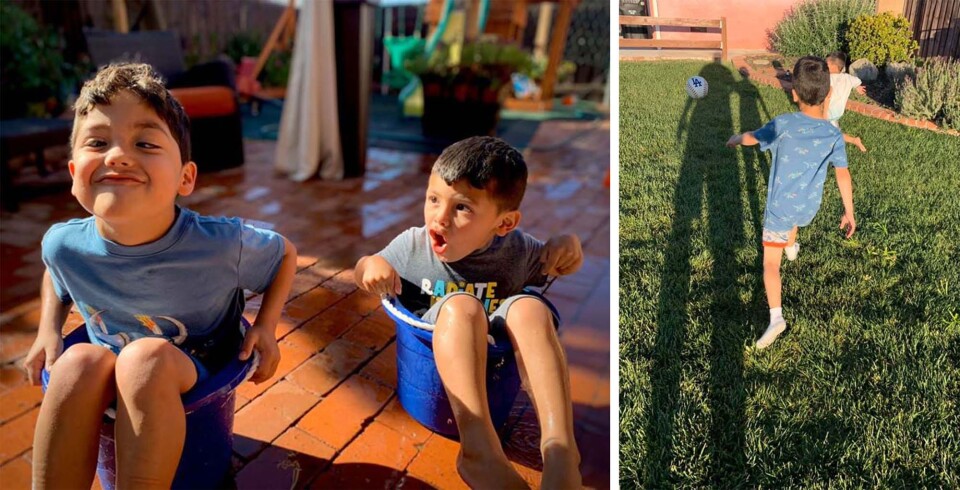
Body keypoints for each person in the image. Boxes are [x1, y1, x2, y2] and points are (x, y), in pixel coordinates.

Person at [22, 63, 297, 489]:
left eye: (145, 142)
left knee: (144, 360)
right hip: (112, 371)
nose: (117, 155)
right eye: (97, 142)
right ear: (75, 175)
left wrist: (266, 326)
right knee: (75, 363)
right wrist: (48, 329)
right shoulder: (63, 245)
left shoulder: (220, 244)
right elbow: (55, 274)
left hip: (197, 371)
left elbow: (284, 255)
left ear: (185, 178)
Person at [355, 136, 583, 489]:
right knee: (462, 306)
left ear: (504, 224)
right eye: (433, 199)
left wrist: (567, 246)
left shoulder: (516, 249)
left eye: (462, 208)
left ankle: (561, 451)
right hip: (438, 365)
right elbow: (367, 266)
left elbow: (559, 258)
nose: (440, 218)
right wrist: (370, 266)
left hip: (496, 360)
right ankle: (478, 449)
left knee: (530, 309)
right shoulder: (414, 246)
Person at [726, 56, 856, 349]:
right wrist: (848, 211)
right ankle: (792, 246)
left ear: (794, 94)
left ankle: (776, 318)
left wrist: (735, 138)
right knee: (793, 220)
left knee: (770, 264)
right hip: (808, 208)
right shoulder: (834, 135)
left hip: (780, 209)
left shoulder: (783, 124)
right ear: (830, 93)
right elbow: (843, 175)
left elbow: (752, 138)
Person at [826, 51, 868, 153]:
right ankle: (853, 141)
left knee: (824, 132)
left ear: (833, 66)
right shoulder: (847, 78)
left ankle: (842, 147)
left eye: (826, 64)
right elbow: (857, 80)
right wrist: (857, 87)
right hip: (837, 112)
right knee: (832, 131)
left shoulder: (828, 78)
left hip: (826, 112)